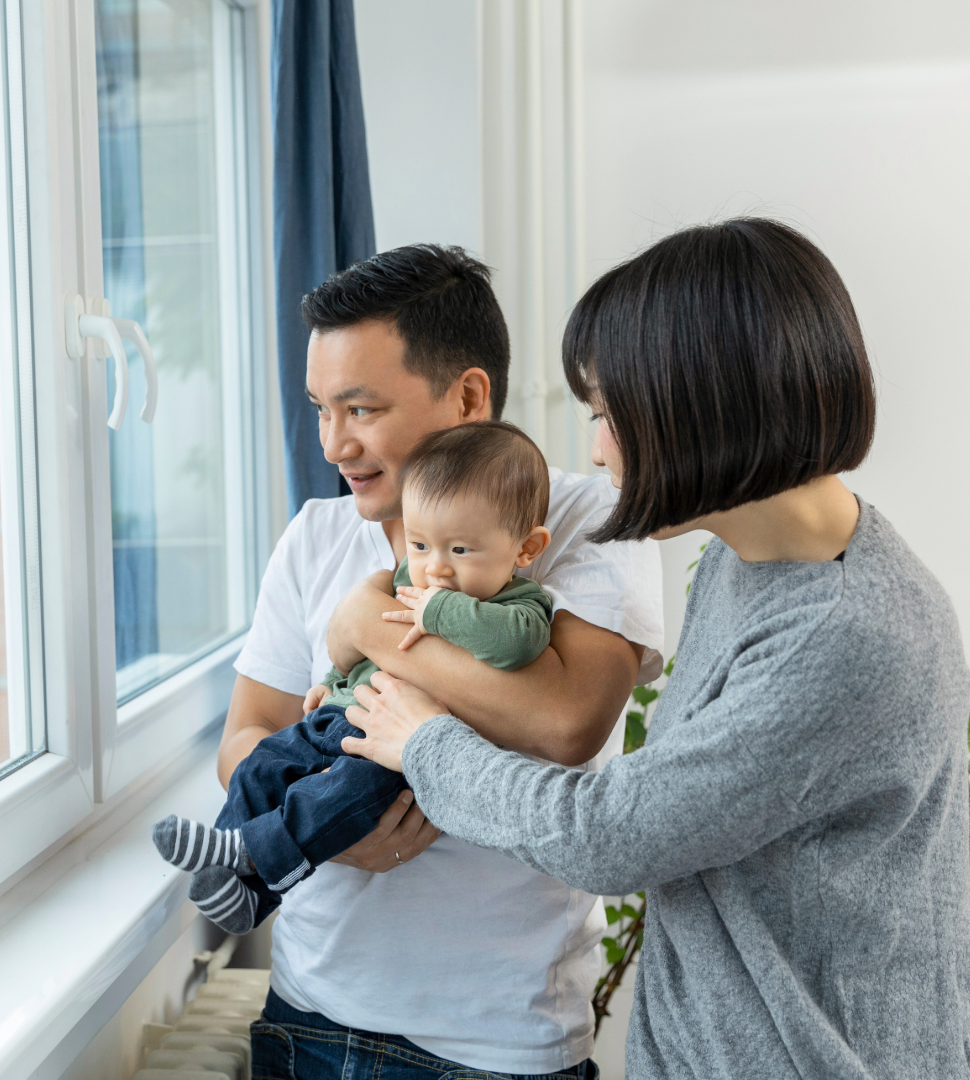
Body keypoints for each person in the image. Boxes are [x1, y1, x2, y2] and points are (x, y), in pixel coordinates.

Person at [343, 219, 970, 1080]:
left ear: (704, 401)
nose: (597, 448)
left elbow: (611, 836)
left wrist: (421, 741)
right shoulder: (747, 564)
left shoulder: (845, 631)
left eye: (607, 413)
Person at [220, 244, 664, 1077]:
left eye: (360, 408)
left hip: (494, 1043)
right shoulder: (317, 535)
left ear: (467, 396)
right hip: (306, 1015)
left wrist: (372, 626)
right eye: (320, 409)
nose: (334, 443)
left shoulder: (583, 517)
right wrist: (327, 826)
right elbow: (247, 734)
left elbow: (566, 720)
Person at [153, 421, 555, 935]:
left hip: (391, 751)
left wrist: (439, 613)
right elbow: (366, 648)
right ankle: (243, 886)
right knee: (262, 764)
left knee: (348, 790)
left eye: (459, 550)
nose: (436, 571)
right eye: (420, 545)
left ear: (525, 550)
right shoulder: (402, 576)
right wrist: (331, 679)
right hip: (339, 714)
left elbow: (515, 644)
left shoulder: (518, 604)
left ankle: (252, 851)